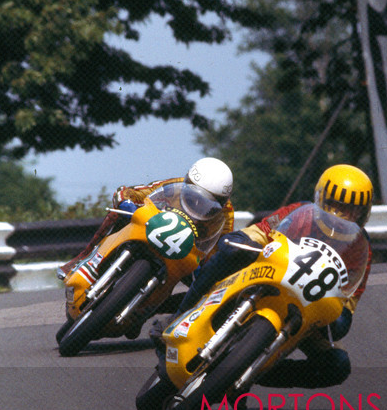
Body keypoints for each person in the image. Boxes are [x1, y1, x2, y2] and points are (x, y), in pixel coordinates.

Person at [152, 164, 374, 390]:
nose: (339, 215)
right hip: (267, 276)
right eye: (334, 205)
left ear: (363, 212)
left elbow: (349, 300)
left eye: (349, 210)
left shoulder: (360, 246)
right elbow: (261, 231)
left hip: (309, 310)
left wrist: (340, 317)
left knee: (337, 365)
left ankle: (251, 371)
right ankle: (180, 316)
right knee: (231, 251)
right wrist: (242, 241)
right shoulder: (300, 212)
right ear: (321, 199)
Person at [56, 157, 235, 280]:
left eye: (211, 201)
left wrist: (205, 265)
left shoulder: (225, 215)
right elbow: (132, 192)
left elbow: (215, 254)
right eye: (194, 193)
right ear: (187, 182)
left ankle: (162, 315)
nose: (198, 203)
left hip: (183, 256)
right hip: (153, 228)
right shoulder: (175, 186)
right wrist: (127, 202)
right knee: (118, 213)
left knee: (207, 284)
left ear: (223, 201)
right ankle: (82, 258)